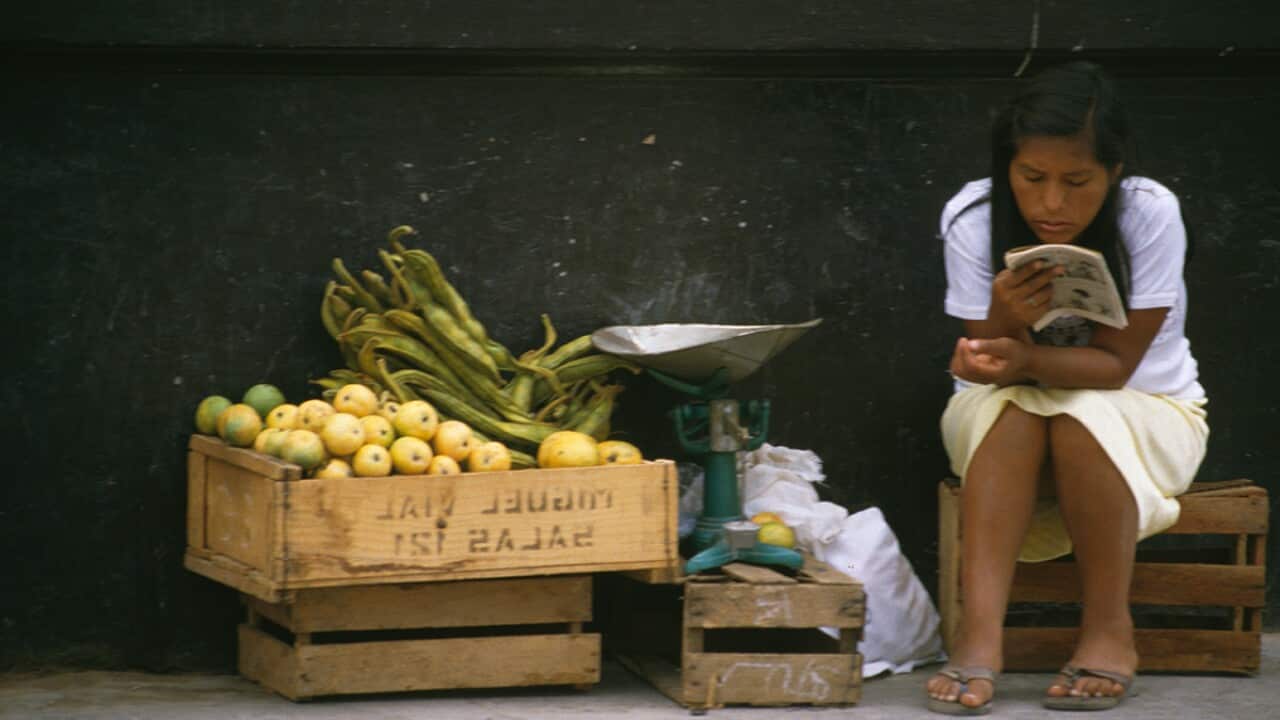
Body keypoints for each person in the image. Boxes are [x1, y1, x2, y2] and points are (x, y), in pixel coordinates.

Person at [926, 61, 1209, 714]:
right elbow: (988, 362)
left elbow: (1116, 366)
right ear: (1008, 171)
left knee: (1078, 417)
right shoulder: (972, 217)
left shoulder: (1149, 212)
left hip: (1149, 409)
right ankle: (980, 634)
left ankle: (1110, 628)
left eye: (1077, 181)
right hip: (1002, 413)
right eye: (1032, 178)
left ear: (1112, 173)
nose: (1052, 203)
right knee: (1022, 411)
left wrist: (1021, 353)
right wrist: (1001, 325)